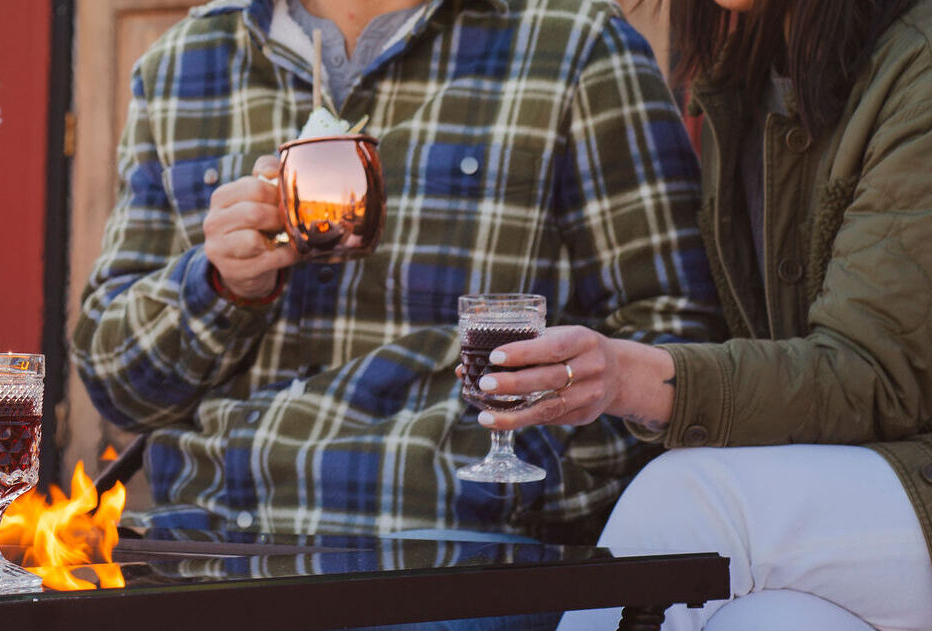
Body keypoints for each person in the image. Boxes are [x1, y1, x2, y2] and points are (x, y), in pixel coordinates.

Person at [72, 0, 724, 543]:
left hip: (454, 553)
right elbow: (117, 384)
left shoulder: (575, 44)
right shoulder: (183, 63)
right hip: (211, 541)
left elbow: (675, 340)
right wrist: (218, 286)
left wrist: (524, 474)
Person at [475, 0, 932, 627]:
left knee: (688, 501)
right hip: (851, 491)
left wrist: (628, 376)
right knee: (765, 620)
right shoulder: (743, 73)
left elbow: (871, 375)